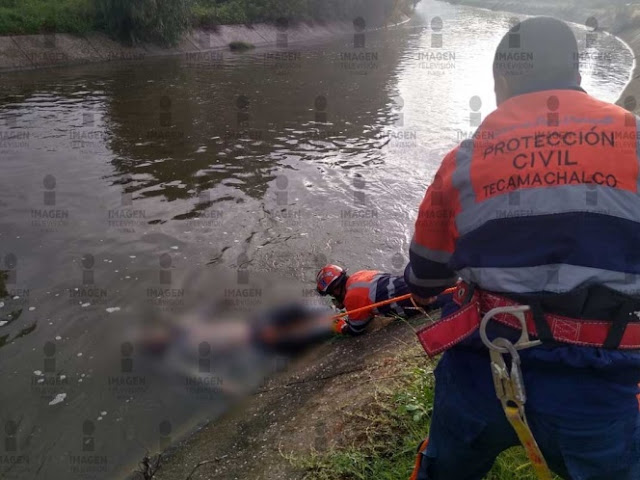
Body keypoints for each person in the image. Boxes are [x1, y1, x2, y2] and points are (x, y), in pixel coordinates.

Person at [406, 17, 640, 480]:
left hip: (484, 369)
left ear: (503, 79)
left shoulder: (464, 160)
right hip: (600, 385)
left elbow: (427, 277)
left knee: (446, 468)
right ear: (577, 74)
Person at [316, 264, 442, 335]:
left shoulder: (352, 298)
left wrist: (340, 326)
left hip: (421, 301)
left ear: (336, 290)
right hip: (419, 285)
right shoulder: (360, 275)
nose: (333, 298)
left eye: (332, 294)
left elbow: (356, 330)